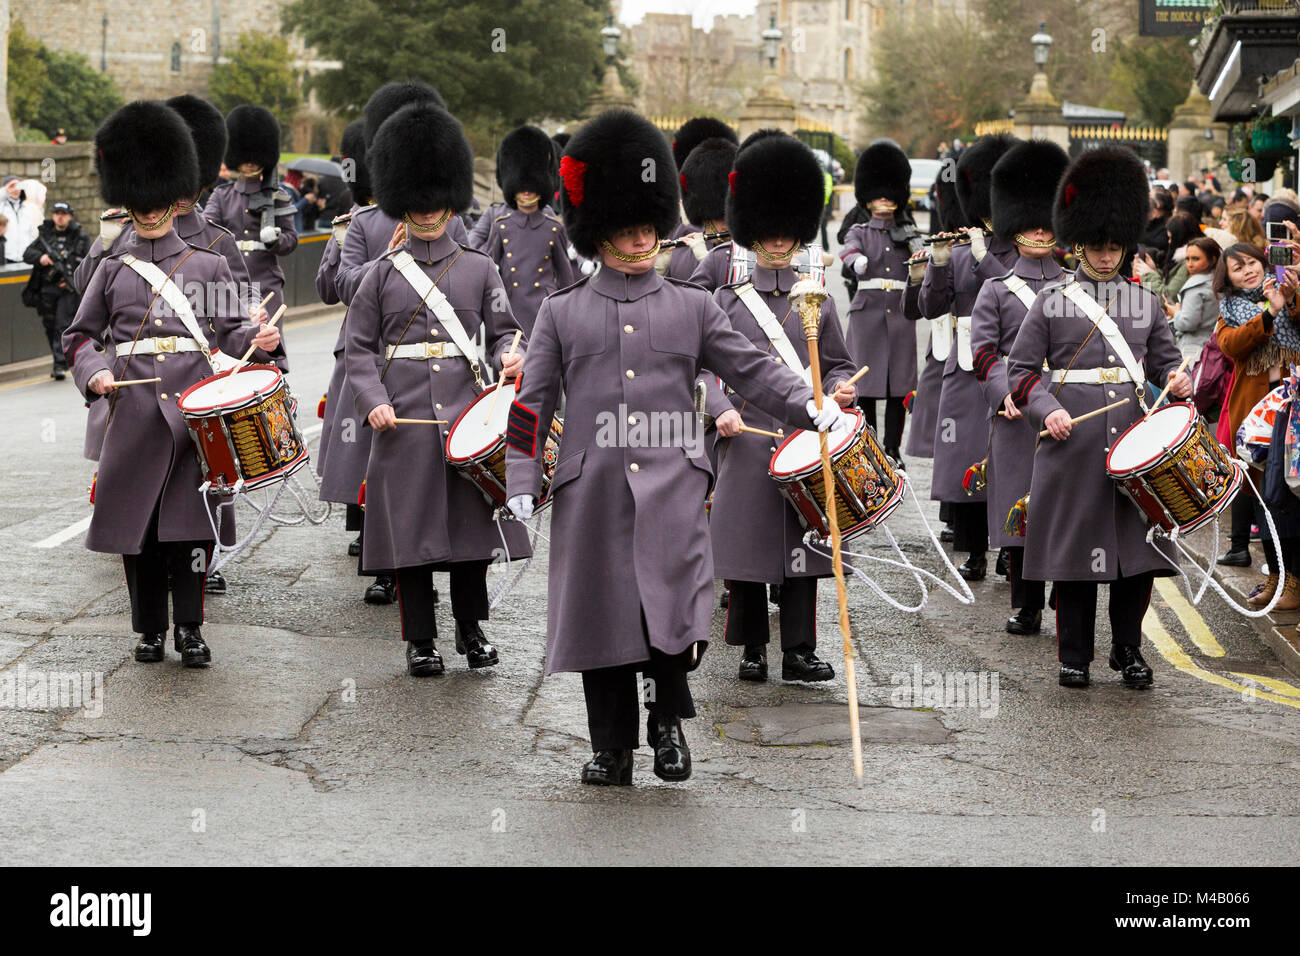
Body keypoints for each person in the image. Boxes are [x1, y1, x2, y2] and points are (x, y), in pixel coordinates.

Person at [503, 109, 845, 787]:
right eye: (627, 230)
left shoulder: (692, 305)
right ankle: (611, 748)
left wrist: (809, 407)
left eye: (647, 228)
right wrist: (520, 475)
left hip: (672, 486)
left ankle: (666, 726)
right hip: (592, 487)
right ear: (599, 232)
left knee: (671, 620)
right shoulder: (562, 311)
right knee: (603, 625)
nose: (640, 239)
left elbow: (750, 369)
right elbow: (528, 406)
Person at [61, 101, 281, 668]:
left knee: (190, 529)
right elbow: (80, 336)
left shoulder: (208, 262)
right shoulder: (112, 267)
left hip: (191, 412)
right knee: (141, 528)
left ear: (173, 196)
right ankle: (148, 629)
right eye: (141, 204)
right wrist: (95, 373)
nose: (151, 213)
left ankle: (190, 628)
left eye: (158, 203)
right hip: (132, 411)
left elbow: (232, 333)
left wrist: (261, 342)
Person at [344, 100, 530, 678]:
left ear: (451, 204)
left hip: (464, 420)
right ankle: (419, 640)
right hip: (403, 424)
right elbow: (357, 351)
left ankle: (472, 631)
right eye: (418, 206)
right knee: (413, 543)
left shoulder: (479, 268)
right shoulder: (379, 273)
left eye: (436, 205)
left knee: (470, 539)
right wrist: (374, 403)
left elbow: (504, 332)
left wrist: (510, 357)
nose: (427, 215)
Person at [1006, 146, 1192, 689]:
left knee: (1136, 558)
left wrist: (1179, 381)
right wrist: (1049, 409)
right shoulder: (1050, 302)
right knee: (1074, 558)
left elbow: (1167, 366)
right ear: (1079, 244)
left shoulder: (1147, 302)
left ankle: (1128, 650)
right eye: (1097, 247)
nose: (1107, 257)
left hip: (1133, 441)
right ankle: (1075, 654)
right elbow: (1021, 373)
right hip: (1073, 443)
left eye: (1114, 247)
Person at [703, 131, 856, 683]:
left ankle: (798, 649)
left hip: (802, 437)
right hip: (744, 434)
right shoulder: (724, 301)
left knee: (804, 543)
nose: (776, 243)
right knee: (744, 545)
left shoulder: (816, 298)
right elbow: (700, 370)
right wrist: (718, 407)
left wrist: (842, 390)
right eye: (767, 234)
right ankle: (750, 649)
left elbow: (838, 364)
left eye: (786, 234)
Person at [330, 81, 469, 606]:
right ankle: (384, 559)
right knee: (382, 466)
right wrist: (385, 261)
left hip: (441, 372)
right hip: (380, 366)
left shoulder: (456, 222)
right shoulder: (363, 223)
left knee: (440, 476)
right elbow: (340, 286)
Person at [970, 138, 1069, 635]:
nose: (1038, 228)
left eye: (1046, 220)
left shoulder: (1076, 283)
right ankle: (1026, 602)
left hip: (1063, 404)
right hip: (1014, 401)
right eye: (1030, 221)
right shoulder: (995, 287)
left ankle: (1062, 590)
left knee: (1064, 504)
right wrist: (1002, 394)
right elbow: (984, 352)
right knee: (1018, 505)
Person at [922, 133, 1018, 581]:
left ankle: (1010, 546)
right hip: (963, 369)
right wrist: (939, 263)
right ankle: (974, 549)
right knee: (968, 461)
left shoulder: (1023, 256)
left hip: (1009, 366)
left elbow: (1020, 299)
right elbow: (930, 308)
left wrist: (983, 257)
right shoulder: (959, 252)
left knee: (1009, 463)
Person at [1214, 243, 1300, 604]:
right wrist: (1268, 312)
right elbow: (1231, 346)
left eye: (1251, 262)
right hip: (1256, 417)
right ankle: (1277, 578)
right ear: (1227, 277)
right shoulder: (1228, 310)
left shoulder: (1288, 290)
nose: (1247, 270)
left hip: (1293, 409)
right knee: (1265, 501)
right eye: (1237, 268)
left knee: (1291, 496)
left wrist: (1290, 298)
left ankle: (1293, 582)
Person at [839, 138, 922, 467]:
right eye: (879, 195)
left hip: (899, 317)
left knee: (899, 388)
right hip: (868, 316)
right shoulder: (860, 230)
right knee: (867, 384)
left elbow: (919, 260)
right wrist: (855, 261)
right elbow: (848, 249)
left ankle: (893, 448)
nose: (885, 201)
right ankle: (868, 444)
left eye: (890, 195)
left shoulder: (908, 230)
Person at [203, 105, 298, 371]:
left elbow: (291, 240)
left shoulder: (277, 195)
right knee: (235, 353)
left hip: (266, 283)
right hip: (232, 286)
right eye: (245, 155)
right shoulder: (222, 196)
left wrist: (275, 239)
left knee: (267, 350)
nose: (250, 160)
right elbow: (207, 232)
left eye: (255, 156)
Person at [482, 125, 574, 337]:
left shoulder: (553, 228)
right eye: (522, 188)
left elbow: (566, 278)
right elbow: (489, 273)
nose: (526, 192)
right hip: (511, 307)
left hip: (543, 309)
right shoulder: (501, 226)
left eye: (531, 188)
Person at [23, 201, 89, 380]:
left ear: (70, 216)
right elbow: (27, 254)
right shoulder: (45, 236)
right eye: (57, 213)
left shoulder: (80, 237)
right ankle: (58, 358)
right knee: (50, 326)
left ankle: (59, 364)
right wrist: (41, 257)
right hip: (47, 290)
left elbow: (90, 263)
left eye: (63, 213)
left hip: (68, 290)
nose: (60, 216)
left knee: (62, 325)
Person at [664, 136, 735, 282]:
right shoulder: (680, 252)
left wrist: (707, 262)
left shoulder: (753, 251)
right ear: (705, 214)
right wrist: (658, 272)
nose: (727, 222)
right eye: (720, 215)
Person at [1164, 236, 1221, 357]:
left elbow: (1187, 323)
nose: (1189, 264)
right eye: (1187, 259)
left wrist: (1176, 312)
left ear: (1212, 260)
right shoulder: (1219, 281)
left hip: (1193, 350)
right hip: (1214, 346)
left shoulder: (1195, 287)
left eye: (1195, 259)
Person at [1134, 211, 1200, 297]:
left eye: (1171, 238)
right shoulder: (1182, 258)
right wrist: (1153, 270)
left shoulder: (1187, 263)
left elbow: (1166, 297)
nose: (1169, 242)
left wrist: (1147, 274)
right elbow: (1168, 281)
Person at [2, 175, 37, 263]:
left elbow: (32, 234)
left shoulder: (28, 208)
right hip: (6, 257)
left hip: (25, 258)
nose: (15, 189)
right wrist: (5, 189)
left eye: (18, 186)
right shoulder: (2, 206)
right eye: (11, 186)